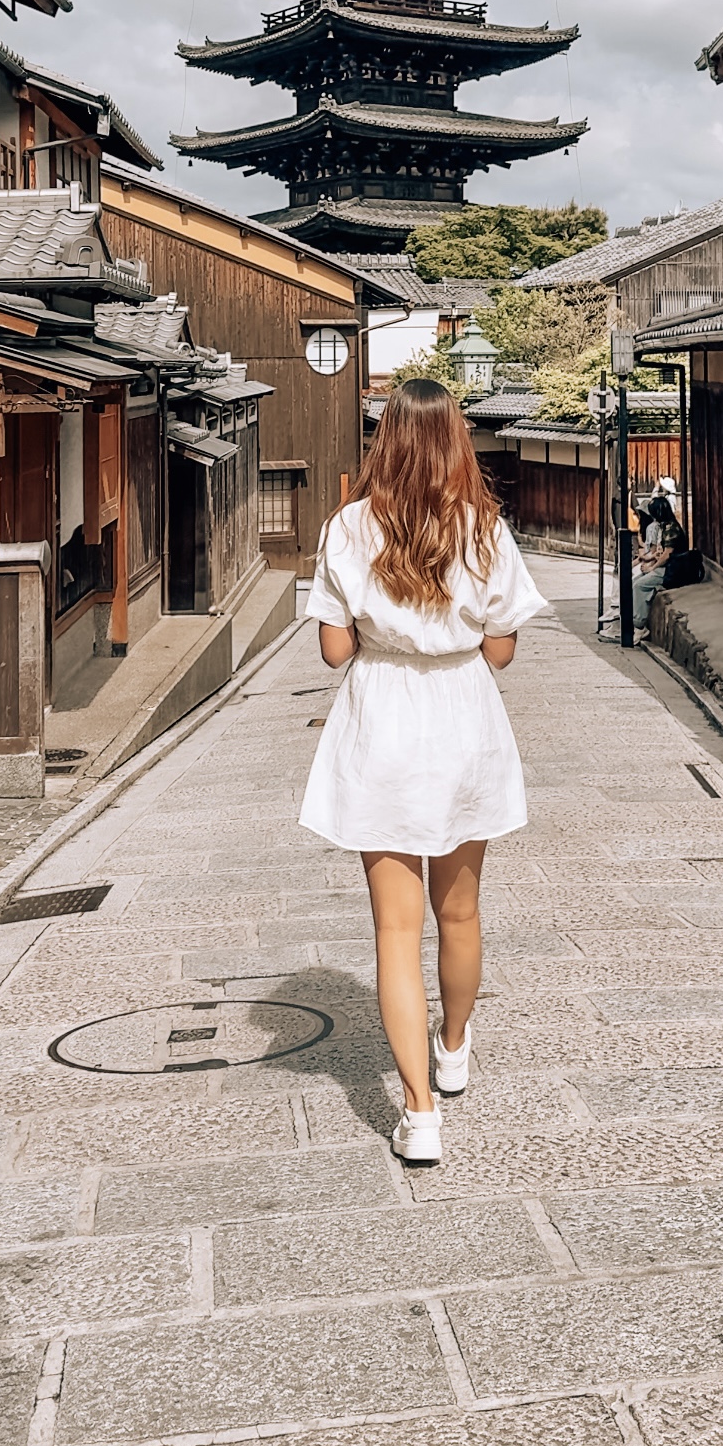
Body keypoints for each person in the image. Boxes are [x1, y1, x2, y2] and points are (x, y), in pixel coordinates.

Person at [301, 378, 546, 1165]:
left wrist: (379, 634)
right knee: (461, 916)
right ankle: (455, 1041)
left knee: (393, 933)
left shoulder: (348, 526)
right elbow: (502, 648)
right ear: (456, 441)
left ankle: (418, 1111)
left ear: (387, 440)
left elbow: (336, 649)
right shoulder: (484, 529)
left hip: (383, 724)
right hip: (463, 721)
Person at [634, 495, 687, 636]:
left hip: (671, 569)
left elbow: (668, 554)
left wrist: (652, 567)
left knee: (639, 585)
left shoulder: (670, 528)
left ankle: (639, 625)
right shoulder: (665, 526)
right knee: (635, 581)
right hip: (665, 566)